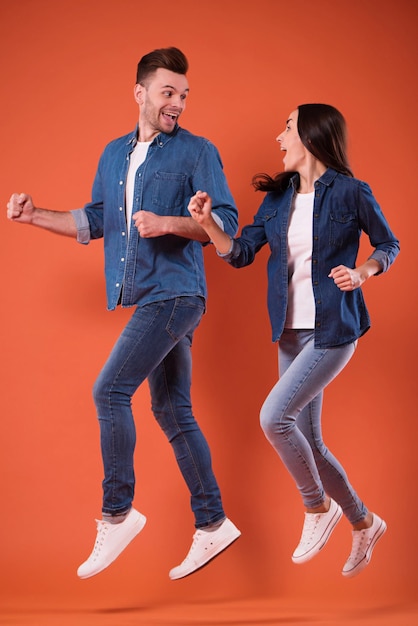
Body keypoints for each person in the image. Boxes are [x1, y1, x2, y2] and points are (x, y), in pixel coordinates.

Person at [6, 47, 241, 581]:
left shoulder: (198, 152)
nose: (177, 103)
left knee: (108, 391)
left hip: (177, 293)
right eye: (167, 93)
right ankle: (213, 522)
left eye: (183, 95)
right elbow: (94, 221)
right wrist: (34, 216)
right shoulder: (114, 156)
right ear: (140, 94)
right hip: (151, 296)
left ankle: (117, 512)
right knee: (172, 411)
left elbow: (223, 220)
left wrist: (174, 222)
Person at [188, 103, 399, 578]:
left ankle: (316, 509)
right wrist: (207, 224)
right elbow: (240, 253)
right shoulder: (279, 199)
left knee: (273, 417)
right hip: (289, 332)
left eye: (286, 127)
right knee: (309, 440)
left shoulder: (350, 192)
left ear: (310, 134)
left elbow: (389, 244)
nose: (279, 136)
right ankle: (364, 522)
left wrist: (363, 272)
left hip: (333, 330)